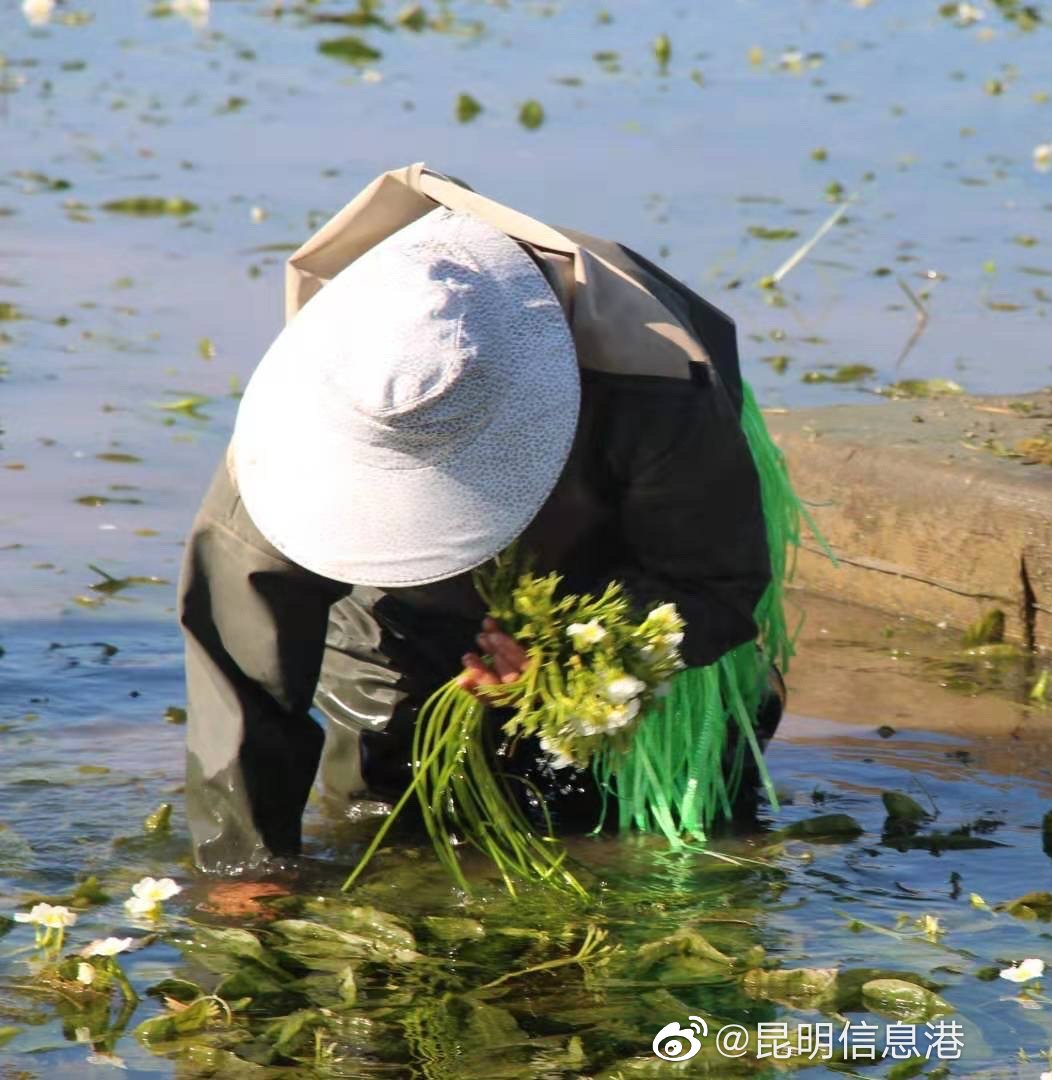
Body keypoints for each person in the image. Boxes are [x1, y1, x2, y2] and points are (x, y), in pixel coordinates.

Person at [179, 165, 800, 875]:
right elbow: (241, 655)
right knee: (390, 818)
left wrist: (574, 654)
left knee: (656, 827)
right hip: (390, 591)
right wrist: (244, 865)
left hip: (602, 554)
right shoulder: (303, 420)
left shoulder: (654, 383)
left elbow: (715, 582)